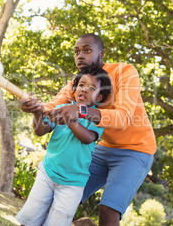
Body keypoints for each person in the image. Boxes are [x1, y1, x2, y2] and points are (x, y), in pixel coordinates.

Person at [20, 33, 157, 225]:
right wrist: (34, 108)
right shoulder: (77, 84)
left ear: (101, 54)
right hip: (102, 147)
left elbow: (124, 117)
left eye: (87, 50)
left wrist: (80, 110)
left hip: (135, 150)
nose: (80, 56)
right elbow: (52, 108)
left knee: (108, 210)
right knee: (63, 192)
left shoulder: (124, 71)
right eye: (76, 52)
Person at [15, 65, 112, 226]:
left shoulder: (97, 118)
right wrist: (36, 113)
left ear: (99, 97)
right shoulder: (61, 109)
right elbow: (41, 130)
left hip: (72, 183)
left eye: (91, 88)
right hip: (48, 172)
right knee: (30, 218)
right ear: (75, 88)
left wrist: (71, 120)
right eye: (81, 85)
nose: (84, 90)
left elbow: (88, 138)